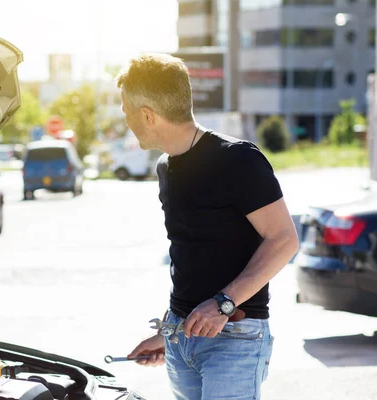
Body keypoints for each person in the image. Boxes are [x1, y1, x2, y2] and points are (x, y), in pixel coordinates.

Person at [116, 53, 299, 400]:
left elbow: (284, 240)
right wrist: (168, 331)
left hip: (234, 337)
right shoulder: (165, 168)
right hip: (180, 338)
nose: (124, 119)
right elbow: (191, 259)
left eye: (126, 110)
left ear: (148, 115)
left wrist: (223, 304)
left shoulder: (239, 160)